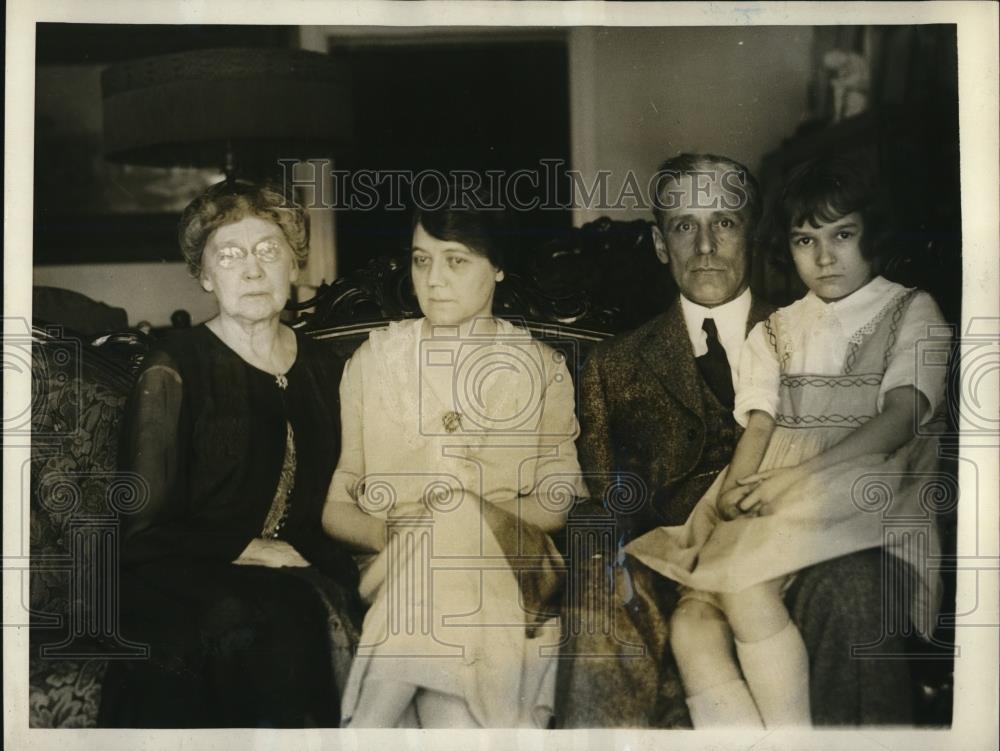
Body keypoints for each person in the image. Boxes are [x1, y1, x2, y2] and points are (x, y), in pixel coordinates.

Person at [556, 153, 922, 727]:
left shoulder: (814, 331)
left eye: (724, 222)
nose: (705, 246)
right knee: (601, 589)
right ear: (659, 244)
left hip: (797, 550)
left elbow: (885, 435)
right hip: (671, 568)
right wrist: (605, 558)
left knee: (856, 584)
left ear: (752, 233)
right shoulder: (612, 365)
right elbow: (601, 501)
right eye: (684, 226)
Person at [98, 180, 361, 728]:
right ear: (205, 276)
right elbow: (140, 528)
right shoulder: (174, 366)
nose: (252, 269)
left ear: (295, 266)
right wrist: (249, 548)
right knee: (253, 621)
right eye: (230, 255)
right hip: (179, 572)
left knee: (295, 608)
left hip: (299, 567)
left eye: (269, 252)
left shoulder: (327, 367)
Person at [322, 193, 587, 728]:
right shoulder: (373, 364)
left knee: (453, 525)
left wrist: (465, 516)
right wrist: (395, 530)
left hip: (516, 565)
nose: (433, 278)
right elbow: (336, 506)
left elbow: (558, 502)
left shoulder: (542, 369)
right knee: (448, 689)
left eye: (456, 260)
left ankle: (367, 725)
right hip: (395, 565)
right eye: (422, 260)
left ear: (499, 269)